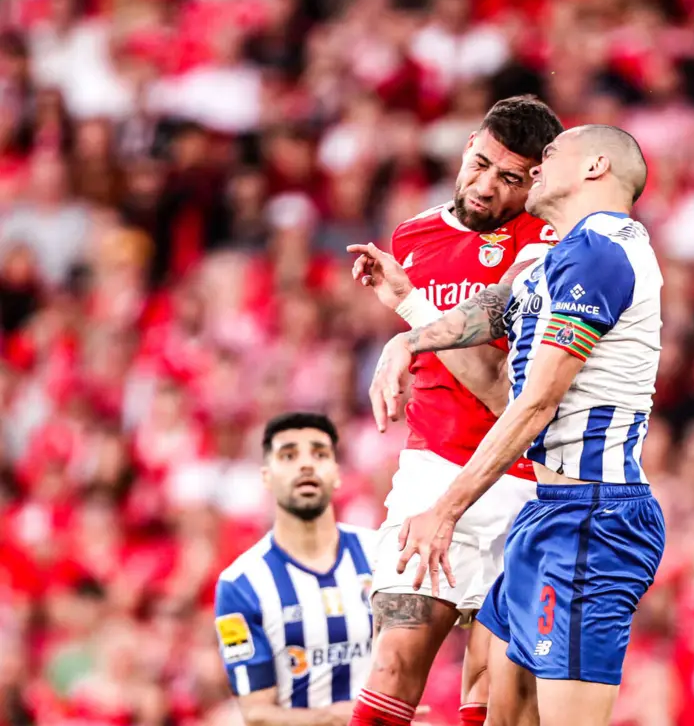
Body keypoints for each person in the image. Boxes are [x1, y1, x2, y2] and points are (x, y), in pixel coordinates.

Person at [357, 124, 663, 726]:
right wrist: (408, 336)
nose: (534, 167)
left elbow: (534, 403)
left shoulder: (603, 253)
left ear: (596, 166)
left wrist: (445, 509)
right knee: (506, 711)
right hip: (551, 515)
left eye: (548, 155)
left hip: (594, 522)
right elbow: (492, 308)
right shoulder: (562, 256)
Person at [346, 95, 564, 726]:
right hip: (433, 470)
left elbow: (506, 394)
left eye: (510, 178)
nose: (487, 186)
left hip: (521, 482)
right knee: (394, 662)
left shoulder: (543, 242)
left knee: (493, 696)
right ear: (469, 144)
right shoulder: (413, 236)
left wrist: (412, 314)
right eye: (481, 163)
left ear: (536, 183)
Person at [213, 412, 377, 726]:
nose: (306, 464)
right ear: (266, 476)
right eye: (288, 455)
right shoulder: (240, 584)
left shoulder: (382, 554)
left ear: (337, 473)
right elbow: (256, 713)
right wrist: (338, 717)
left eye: (320, 453)